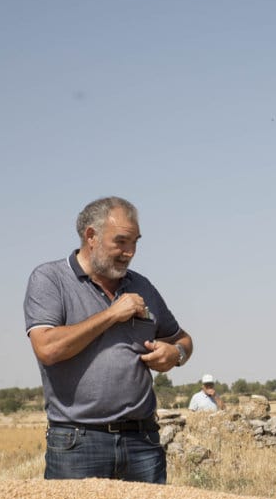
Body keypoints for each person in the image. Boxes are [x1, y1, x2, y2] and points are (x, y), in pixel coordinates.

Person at [23, 197, 193, 483]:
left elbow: (183, 339)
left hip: (143, 442)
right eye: (121, 242)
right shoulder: (50, 279)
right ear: (91, 236)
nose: (130, 252)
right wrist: (112, 314)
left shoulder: (142, 285)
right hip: (77, 443)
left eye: (135, 242)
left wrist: (176, 354)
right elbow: (47, 348)